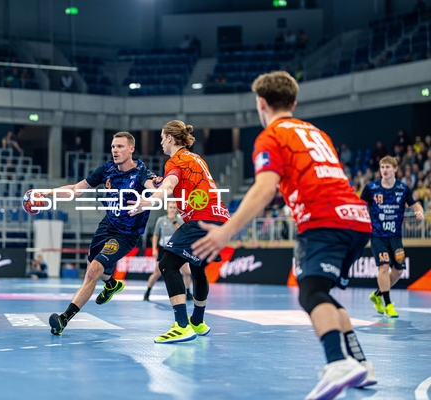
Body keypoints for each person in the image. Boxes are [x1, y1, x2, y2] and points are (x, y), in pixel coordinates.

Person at [191, 71, 376, 399]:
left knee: (311, 294)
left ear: (261, 103)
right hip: (358, 220)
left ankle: (338, 363)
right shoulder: (316, 132)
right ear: (293, 103)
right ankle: (360, 364)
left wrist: (227, 231)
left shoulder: (271, 136)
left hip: (323, 219)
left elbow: (265, 189)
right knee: (322, 294)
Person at [41, 132, 160, 336]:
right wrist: (47, 193)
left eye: (120, 146)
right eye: (113, 146)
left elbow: (156, 189)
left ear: (131, 149)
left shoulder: (142, 173)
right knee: (93, 267)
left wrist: (151, 199)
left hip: (126, 233)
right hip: (107, 225)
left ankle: (63, 319)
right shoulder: (107, 170)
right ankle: (111, 284)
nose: (115, 150)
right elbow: (76, 189)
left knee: (93, 270)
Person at [130, 120, 230, 344]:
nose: (160, 143)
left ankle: (181, 326)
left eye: (161, 138)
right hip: (220, 219)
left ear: (170, 138)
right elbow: (176, 183)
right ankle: (198, 321)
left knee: (167, 264)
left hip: (201, 219)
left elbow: (168, 186)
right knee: (197, 267)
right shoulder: (195, 158)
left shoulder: (175, 161)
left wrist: (149, 201)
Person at [361, 156, 424, 318]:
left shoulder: (403, 188)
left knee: (398, 270)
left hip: (395, 236)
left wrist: (419, 211)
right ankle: (388, 305)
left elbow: (414, 204)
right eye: (382, 167)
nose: (384, 170)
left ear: (395, 169)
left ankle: (377, 295)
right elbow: (359, 204)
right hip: (377, 235)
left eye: (388, 167)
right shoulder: (371, 188)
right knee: (384, 267)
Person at [143, 202, 193, 302]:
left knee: (186, 272)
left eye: (174, 208)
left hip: (177, 249)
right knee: (157, 272)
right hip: (164, 248)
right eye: (170, 207)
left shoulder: (180, 220)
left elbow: (182, 233)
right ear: (167, 208)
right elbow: (156, 235)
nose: (172, 209)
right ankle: (148, 291)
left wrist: (174, 221)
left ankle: (188, 292)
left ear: (176, 210)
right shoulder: (160, 220)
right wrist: (154, 249)